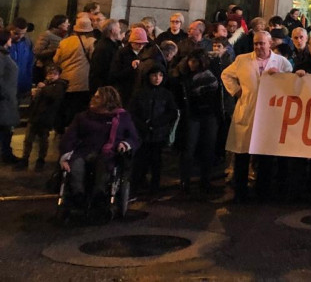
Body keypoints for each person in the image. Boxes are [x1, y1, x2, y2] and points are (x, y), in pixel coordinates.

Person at [221, 30, 290, 202]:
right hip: (248, 109)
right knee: (242, 153)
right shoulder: (242, 60)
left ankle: (263, 191)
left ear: (270, 44)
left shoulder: (282, 62)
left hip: (270, 112)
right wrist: (237, 91)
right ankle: (240, 191)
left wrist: (280, 77)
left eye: (262, 43)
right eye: (256, 43)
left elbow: (290, 83)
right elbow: (226, 75)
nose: (259, 46)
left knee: (265, 154)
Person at [58, 86, 139, 211]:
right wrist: (65, 156)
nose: (93, 99)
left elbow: (133, 137)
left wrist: (124, 144)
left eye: (97, 97)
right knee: (76, 165)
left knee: (104, 165)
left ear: (107, 100)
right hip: (84, 151)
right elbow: (69, 138)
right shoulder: (82, 117)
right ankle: (78, 196)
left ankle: (99, 196)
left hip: (108, 153)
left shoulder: (121, 117)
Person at [177, 50, 223, 193]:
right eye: (190, 61)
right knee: (189, 149)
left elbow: (216, 97)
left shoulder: (210, 75)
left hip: (209, 115)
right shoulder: (185, 77)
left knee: (208, 148)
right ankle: (185, 181)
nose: (192, 64)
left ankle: (205, 179)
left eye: (195, 61)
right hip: (193, 116)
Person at [129, 65, 178, 194]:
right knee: (140, 160)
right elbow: (132, 112)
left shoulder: (166, 94)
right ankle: (137, 184)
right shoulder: (139, 93)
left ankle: (154, 186)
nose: (157, 78)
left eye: (160, 75)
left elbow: (171, 112)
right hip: (142, 133)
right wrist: (142, 125)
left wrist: (158, 123)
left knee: (156, 161)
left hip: (158, 133)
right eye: (154, 75)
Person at [17, 62, 66, 170]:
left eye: (54, 73)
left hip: (45, 118)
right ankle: (25, 158)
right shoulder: (45, 85)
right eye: (49, 73)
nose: (51, 76)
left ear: (59, 75)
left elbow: (54, 96)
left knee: (43, 140)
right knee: (28, 139)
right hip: (35, 116)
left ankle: (41, 160)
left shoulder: (59, 85)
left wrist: (43, 89)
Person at [54, 14, 96, 128]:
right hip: (83, 81)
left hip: (65, 80)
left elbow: (56, 60)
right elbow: (94, 60)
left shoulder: (64, 42)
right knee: (78, 108)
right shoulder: (91, 42)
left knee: (66, 106)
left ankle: (62, 129)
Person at [0, 31, 17, 163]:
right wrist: (5, 94)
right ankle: (6, 154)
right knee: (5, 128)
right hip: (4, 100)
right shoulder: (1, 57)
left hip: (7, 98)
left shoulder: (4, 55)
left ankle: (6, 153)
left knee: (6, 128)